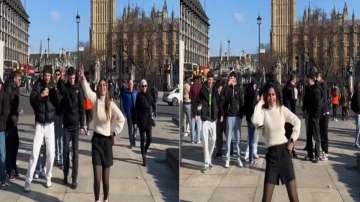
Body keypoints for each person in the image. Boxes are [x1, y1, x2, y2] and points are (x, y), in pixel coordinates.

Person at [79, 69, 125, 202]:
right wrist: (82, 78)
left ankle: (105, 199)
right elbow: (87, 91)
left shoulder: (110, 104)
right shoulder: (95, 100)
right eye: (100, 85)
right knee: (97, 179)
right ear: (98, 88)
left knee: (106, 181)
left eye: (105, 85)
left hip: (107, 143)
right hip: (97, 142)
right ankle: (97, 200)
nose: (103, 87)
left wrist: (114, 132)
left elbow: (122, 119)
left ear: (107, 88)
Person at [252, 82, 300, 202]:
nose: (271, 97)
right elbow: (255, 121)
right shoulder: (263, 113)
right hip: (272, 157)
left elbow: (297, 122)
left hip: (285, 155)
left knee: (294, 199)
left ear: (277, 95)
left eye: (273, 94)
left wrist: (292, 140)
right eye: (268, 95)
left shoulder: (282, 110)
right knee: (266, 199)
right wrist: (260, 102)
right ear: (265, 96)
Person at [25, 65, 60, 192]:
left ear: (51, 76)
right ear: (43, 75)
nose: (47, 77)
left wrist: (54, 91)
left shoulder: (53, 86)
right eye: (45, 75)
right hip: (40, 124)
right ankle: (28, 180)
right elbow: (32, 100)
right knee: (34, 153)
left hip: (50, 124)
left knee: (51, 153)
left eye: (49, 75)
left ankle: (48, 176)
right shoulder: (37, 84)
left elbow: (58, 103)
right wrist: (41, 95)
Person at [57, 67, 86, 189]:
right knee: (65, 151)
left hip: (75, 126)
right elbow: (59, 86)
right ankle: (65, 175)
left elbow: (82, 108)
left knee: (75, 153)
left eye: (74, 78)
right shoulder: (65, 87)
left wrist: (83, 124)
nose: (72, 80)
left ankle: (74, 178)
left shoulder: (78, 89)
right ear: (68, 77)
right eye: (70, 78)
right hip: (66, 125)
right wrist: (61, 76)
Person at [223, 72, 244, 168]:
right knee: (228, 139)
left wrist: (240, 115)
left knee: (238, 139)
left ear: (235, 79)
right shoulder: (227, 89)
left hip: (237, 117)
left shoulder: (239, 89)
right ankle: (227, 159)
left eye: (233, 77)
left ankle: (238, 158)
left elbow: (241, 102)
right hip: (229, 116)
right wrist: (228, 86)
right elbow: (225, 100)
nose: (231, 79)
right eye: (230, 77)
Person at [198, 71, 218, 171]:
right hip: (205, 118)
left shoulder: (215, 89)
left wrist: (219, 113)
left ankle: (209, 158)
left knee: (213, 139)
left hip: (213, 118)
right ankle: (206, 162)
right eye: (209, 79)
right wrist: (199, 107)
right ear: (207, 79)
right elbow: (198, 101)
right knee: (205, 141)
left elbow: (218, 101)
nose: (210, 81)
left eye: (212, 79)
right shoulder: (202, 89)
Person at [134, 79, 156, 166]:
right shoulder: (138, 96)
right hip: (141, 121)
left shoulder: (149, 95)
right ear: (140, 87)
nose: (144, 87)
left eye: (145, 86)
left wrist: (154, 112)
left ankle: (145, 150)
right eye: (142, 86)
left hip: (149, 120)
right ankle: (144, 157)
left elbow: (153, 104)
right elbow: (136, 109)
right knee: (143, 139)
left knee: (149, 139)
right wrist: (135, 122)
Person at [5, 70, 21, 180]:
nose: (21, 81)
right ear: (15, 79)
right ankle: (10, 170)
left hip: (12, 120)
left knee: (14, 145)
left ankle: (13, 168)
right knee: (10, 147)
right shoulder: (11, 88)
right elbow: (8, 104)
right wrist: (14, 113)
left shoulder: (14, 88)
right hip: (9, 122)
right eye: (19, 79)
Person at [303, 73, 322, 163]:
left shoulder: (316, 89)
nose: (308, 80)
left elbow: (318, 105)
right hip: (309, 114)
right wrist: (304, 109)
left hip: (314, 116)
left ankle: (317, 155)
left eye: (309, 79)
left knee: (316, 136)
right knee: (309, 135)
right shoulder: (309, 88)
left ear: (313, 80)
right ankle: (310, 154)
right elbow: (305, 99)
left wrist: (316, 116)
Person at [244, 81, 259, 166]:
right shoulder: (254, 94)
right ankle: (251, 158)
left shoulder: (247, 93)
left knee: (250, 139)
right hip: (253, 119)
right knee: (252, 139)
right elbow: (254, 106)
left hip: (249, 118)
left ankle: (250, 157)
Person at [282, 75, 298, 158]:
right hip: (291, 112)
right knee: (293, 132)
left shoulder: (285, 87)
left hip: (285, 112)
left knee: (286, 131)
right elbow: (293, 101)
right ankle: (292, 149)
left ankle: (287, 149)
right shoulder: (292, 88)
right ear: (294, 79)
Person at [316, 72, 330, 161]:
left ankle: (326, 152)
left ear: (319, 77)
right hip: (321, 113)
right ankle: (323, 151)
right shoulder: (320, 85)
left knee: (324, 134)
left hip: (325, 112)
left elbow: (323, 99)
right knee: (321, 133)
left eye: (316, 77)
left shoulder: (323, 85)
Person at [121, 79, 138, 148]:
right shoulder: (125, 93)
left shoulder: (136, 93)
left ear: (133, 85)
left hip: (135, 114)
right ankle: (131, 142)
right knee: (130, 128)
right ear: (128, 85)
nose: (130, 85)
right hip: (129, 114)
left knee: (135, 128)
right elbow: (123, 104)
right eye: (129, 84)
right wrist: (125, 111)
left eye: (131, 84)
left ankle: (134, 138)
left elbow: (138, 103)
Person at [0, 78, 9, 187]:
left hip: (1, 129)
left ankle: (2, 178)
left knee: (2, 154)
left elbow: (5, 113)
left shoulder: (4, 95)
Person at [53, 69, 64, 167]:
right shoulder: (52, 86)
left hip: (61, 114)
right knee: (56, 137)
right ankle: (57, 156)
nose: (57, 76)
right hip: (54, 115)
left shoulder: (61, 86)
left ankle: (60, 157)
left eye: (58, 74)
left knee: (60, 137)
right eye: (56, 74)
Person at [190, 76, 202, 144]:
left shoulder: (192, 86)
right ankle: (198, 139)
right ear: (198, 80)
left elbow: (190, 96)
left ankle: (192, 139)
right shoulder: (200, 86)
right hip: (199, 107)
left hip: (193, 107)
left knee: (193, 124)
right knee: (198, 125)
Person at [215, 80, 225, 157]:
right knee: (219, 135)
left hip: (225, 117)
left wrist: (222, 115)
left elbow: (223, 105)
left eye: (220, 87)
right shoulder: (215, 94)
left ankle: (230, 150)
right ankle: (219, 151)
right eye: (218, 87)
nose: (219, 88)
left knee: (228, 135)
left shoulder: (224, 94)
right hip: (218, 118)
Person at [351, 82, 360, 148]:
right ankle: (357, 142)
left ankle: (357, 142)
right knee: (358, 129)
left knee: (358, 128)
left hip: (357, 112)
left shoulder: (355, 94)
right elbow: (357, 104)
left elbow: (352, 104)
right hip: (358, 113)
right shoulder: (357, 94)